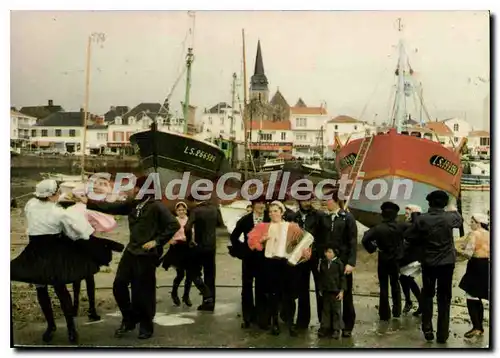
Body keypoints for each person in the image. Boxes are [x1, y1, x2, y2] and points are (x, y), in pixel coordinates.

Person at [10, 179, 114, 343]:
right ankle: (70, 328)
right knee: (60, 288)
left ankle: (51, 326)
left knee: (41, 288)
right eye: (57, 192)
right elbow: (76, 232)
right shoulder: (59, 212)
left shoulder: (30, 204)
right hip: (52, 251)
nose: (59, 194)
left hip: (34, 249)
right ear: (51, 195)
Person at [77, 176, 181, 340]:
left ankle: (146, 325)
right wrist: (87, 202)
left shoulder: (157, 206)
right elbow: (111, 207)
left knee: (143, 292)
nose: (134, 190)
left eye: (137, 188)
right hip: (131, 251)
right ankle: (130, 318)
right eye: (135, 188)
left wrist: (157, 241)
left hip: (146, 255)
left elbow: (173, 224)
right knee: (119, 285)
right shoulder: (133, 204)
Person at [404, 190, 463, 343]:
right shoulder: (449, 218)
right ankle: (442, 334)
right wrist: (452, 207)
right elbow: (459, 220)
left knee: (428, 294)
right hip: (447, 263)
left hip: (429, 263)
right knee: (444, 297)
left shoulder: (422, 219)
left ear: (429, 203)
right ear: (444, 204)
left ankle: (427, 327)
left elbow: (409, 236)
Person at [248, 200, 311, 336]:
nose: (272, 214)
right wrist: (261, 241)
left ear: (282, 212)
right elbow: (251, 243)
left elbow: (304, 242)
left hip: (287, 264)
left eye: (276, 211)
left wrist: (305, 254)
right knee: (273, 295)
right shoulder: (263, 226)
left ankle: (290, 324)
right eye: (270, 211)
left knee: (289, 295)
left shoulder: (292, 226)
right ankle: (275, 323)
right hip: (270, 263)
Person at [285, 197, 328, 330]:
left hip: (316, 257)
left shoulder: (320, 215)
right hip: (300, 259)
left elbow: (325, 236)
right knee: (302, 289)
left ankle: (324, 322)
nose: (306, 203)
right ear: (299, 201)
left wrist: (316, 251)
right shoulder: (294, 216)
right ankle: (302, 322)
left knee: (320, 289)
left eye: (308, 200)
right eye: (303, 200)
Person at [229, 196, 270, 328]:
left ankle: (261, 317)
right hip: (249, 258)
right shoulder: (245, 220)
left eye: (263, 203)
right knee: (247, 287)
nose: (261, 205)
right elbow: (233, 236)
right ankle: (247, 317)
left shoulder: (268, 219)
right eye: (258, 203)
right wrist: (242, 250)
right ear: (253, 205)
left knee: (262, 287)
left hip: (264, 259)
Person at [323, 190, 357, 338]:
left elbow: (353, 241)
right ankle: (329, 325)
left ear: (336, 201)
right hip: (329, 262)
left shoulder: (347, 218)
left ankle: (347, 325)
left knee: (346, 293)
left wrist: (351, 262)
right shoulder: (325, 218)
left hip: (343, 262)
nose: (326, 203)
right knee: (329, 294)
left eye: (328, 200)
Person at [362, 201, 404, 321]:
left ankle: (384, 313)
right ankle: (397, 310)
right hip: (396, 259)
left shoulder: (378, 228)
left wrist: (373, 248)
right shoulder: (400, 227)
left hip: (383, 258)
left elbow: (365, 239)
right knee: (395, 284)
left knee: (384, 285)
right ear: (395, 215)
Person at [185, 195, 225, 311]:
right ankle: (210, 303)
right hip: (211, 246)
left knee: (193, 271)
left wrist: (189, 241)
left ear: (195, 200)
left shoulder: (195, 211)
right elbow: (220, 224)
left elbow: (187, 228)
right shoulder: (214, 209)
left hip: (199, 246)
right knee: (210, 274)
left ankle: (206, 294)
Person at [456, 213, 490, 338]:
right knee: (482, 294)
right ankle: (478, 327)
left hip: (476, 265)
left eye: (472, 222)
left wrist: (458, 250)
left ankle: (477, 327)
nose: (470, 224)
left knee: (471, 296)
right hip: (488, 264)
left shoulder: (474, 234)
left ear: (478, 223)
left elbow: (468, 253)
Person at [161, 202, 193, 307]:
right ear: (176, 211)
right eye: (179, 210)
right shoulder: (173, 221)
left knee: (189, 274)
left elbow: (194, 233)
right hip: (176, 248)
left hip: (187, 248)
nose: (181, 212)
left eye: (183, 210)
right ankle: (174, 293)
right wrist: (170, 240)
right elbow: (165, 232)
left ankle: (186, 296)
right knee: (180, 274)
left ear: (186, 210)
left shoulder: (190, 220)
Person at [399, 204, 423, 316]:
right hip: (412, 257)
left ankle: (415, 302)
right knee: (405, 278)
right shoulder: (418, 225)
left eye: (408, 212)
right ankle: (413, 302)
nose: (406, 214)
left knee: (406, 278)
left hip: (415, 258)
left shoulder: (412, 226)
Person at [317, 246, 346, 339]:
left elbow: (342, 278)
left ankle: (336, 329)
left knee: (336, 311)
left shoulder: (339, 264)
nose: (327, 254)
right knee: (325, 310)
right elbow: (321, 277)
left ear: (334, 253)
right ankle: (325, 327)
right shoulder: (323, 263)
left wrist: (341, 291)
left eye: (330, 252)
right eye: (326, 252)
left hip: (335, 291)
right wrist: (320, 289)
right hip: (326, 291)